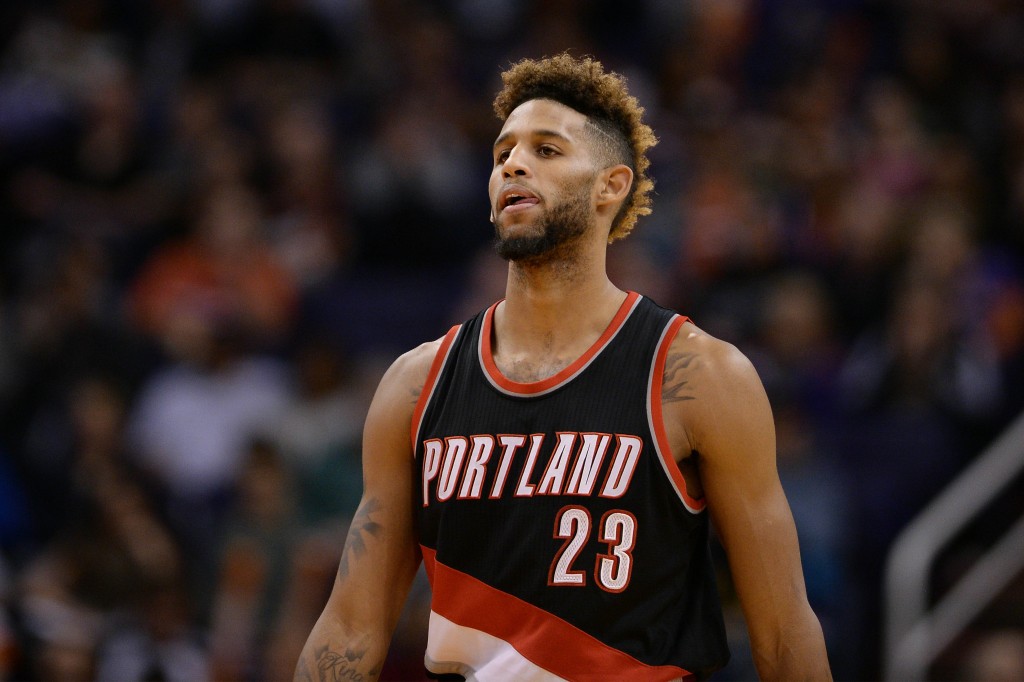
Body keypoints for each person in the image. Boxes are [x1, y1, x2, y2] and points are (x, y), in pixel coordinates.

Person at [295, 53, 831, 681]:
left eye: (546, 150)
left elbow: (783, 630)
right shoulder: (416, 385)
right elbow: (352, 628)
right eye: (502, 154)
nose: (513, 164)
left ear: (612, 185)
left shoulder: (699, 376)